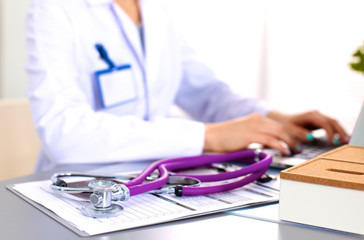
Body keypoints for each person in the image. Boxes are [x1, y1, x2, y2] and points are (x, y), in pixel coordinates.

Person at [26, 0, 348, 172]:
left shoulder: (155, 11)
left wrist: (273, 119)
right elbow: (62, 132)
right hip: (78, 186)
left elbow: (206, 92)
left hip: (154, 182)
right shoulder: (54, 7)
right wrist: (208, 136)